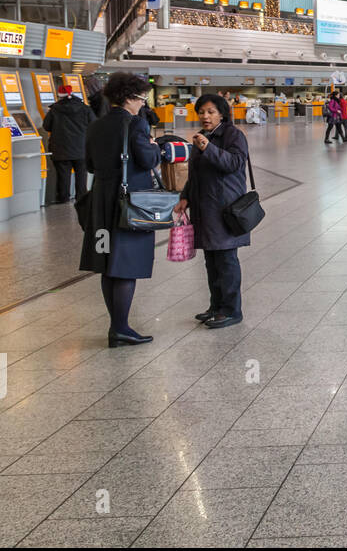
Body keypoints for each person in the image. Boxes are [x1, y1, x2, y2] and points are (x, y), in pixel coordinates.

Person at [78, 71, 162, 347]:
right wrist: (153, 147)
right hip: (129, 205)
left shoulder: (96, 125)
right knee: (126, 265)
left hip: (101, 201)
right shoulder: (135, 125)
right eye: (140, 98)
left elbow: (89, 164)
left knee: (107, 263)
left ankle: (118, 326)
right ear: (128, 98)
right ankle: (121, 328)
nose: (142, 104)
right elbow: (148, 160)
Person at [174, 94, 251, 330]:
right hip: (205, 206)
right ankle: (216, 306)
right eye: (201, 112)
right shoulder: (203, 136)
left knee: (226, 259)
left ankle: (231, 310)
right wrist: (185, 196)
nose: (205, 116)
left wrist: (208, 148)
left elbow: (235, 163)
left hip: (224, 207)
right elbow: (195, 172)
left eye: (210, 112)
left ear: (222, 113)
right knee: (211, 259)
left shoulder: (232, 135)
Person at [42, 84, 94, 204]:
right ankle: (81, 198)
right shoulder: (85, 108)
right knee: (81, 174)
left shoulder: (54, 110)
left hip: (60, 148)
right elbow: (93, 124)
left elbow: (46, 126)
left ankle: (63, 198)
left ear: (59, 96)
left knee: (63, 175)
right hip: (81, 148)